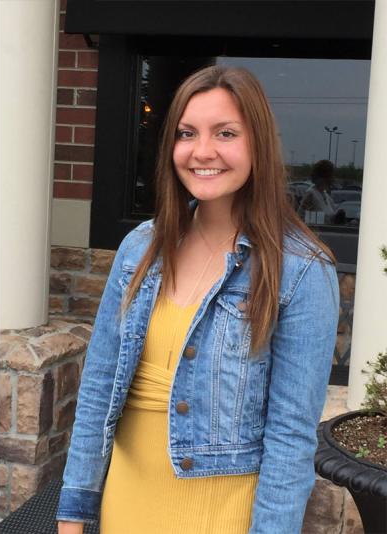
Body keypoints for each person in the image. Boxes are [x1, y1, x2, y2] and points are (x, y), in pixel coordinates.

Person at [56, 66, 339, 533]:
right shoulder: (140, 248)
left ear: (258, 144)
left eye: (225, 133)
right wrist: (73, 512)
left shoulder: (303, 270)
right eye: (187, 134)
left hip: (221, 514)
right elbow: (98, 389)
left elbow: (290, 439)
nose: (202, 151)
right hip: (126, 504)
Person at [298, 159, 343, 224]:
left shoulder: (326, 196)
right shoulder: (311, 195)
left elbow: (331, 217)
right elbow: (301, 218)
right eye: (331, 176)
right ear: (323, 177)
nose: (333, 179)